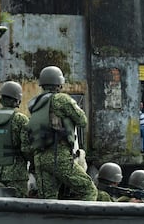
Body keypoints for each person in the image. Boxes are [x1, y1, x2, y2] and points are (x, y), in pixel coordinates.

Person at [26, 66, 97, 200]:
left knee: (48, 200)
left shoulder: (35, 103)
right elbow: (82, 121)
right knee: (89, 190)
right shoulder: (62, 99)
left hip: (40, 159)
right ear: (59, 83)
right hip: (59, 158)